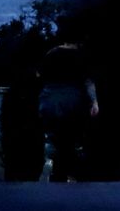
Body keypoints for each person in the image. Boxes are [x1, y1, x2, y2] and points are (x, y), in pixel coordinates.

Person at [37, 41, 97, 182]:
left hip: (50, 99)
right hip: (72, 100)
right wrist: (94, 102)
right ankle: (71, 171)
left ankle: (51, 164)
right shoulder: (79, 56)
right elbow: (88, 82)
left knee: (52, 136)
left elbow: (39, 75)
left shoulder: (51, 54)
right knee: (72, 138)